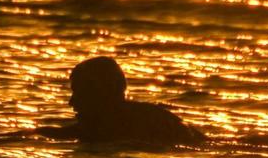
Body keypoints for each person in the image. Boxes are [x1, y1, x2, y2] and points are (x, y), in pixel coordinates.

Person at [34, 56, 204, 148]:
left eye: (80, 94)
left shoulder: (151, 123)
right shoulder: (158, 117)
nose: (72, 103)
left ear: (102, 94)